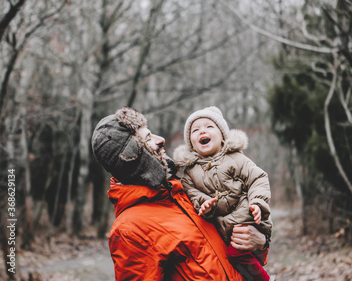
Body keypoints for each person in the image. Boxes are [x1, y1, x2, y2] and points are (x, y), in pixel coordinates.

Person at [91, 107, 269, 280]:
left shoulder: (182, 191)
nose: (161, 139)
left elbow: (233, 247)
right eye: (148, 138)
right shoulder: (130, 230)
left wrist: (260, 242)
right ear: (133, 156)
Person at [173, 106, 272, 281]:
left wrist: (257, 203)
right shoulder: (189, 173)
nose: (202, 130)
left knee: (238, 254)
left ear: (222, 136)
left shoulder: (236, 158)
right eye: (195, 130)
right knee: (231, 262)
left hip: (246, 217)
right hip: (222, 228)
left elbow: (258, 178)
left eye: (209, 127)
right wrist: (203, 203)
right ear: (191, 143)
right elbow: (192, 193)